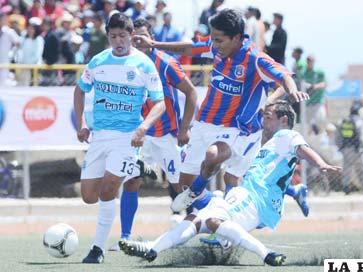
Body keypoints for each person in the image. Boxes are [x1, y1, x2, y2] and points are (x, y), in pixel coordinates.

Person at [119, 100, 341, 266]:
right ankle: (153, 249)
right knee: (197, 220)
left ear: (284, 120)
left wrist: (320, 163)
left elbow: (304, 149)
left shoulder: (286, 135)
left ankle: (266, 254)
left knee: (212, 218)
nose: (264, 120)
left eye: (269, 116)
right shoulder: (268, 144)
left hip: (255, 198)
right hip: (253, 200)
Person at [133, 9, 309, 213]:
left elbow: (285, 77)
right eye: (213, 40)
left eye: (219, 40)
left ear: (236, 38)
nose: (214, 45)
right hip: (204, 123)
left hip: (235, 128)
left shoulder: (255, 59)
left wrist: (291, 91)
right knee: (183, 184)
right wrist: (155, 44)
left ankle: (222, 219)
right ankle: (217, 209)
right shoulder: (217, 46)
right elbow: (190, 48)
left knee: (220, 162)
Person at [73, 13, 165, 264]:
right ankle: (136, 167)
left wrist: (143, 127)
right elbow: (79, 91)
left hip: (127, 137)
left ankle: (97, 249)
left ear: (131, 36)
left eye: (123, 36)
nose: (118, 41)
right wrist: (82, 122)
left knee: (108, 190)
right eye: (113, 36)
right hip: (100, 136)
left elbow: (160, 104)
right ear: (108, 37)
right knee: (89, 195)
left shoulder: (144, 64)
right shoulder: (98, 61)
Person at [110, 17, 198, 251]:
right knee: (131, 180)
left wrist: (184, 128)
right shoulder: (126, 63)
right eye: (134, 37)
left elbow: (191, 93)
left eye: (142, 37)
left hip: (168, 136)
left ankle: (208, 225)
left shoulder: (166, 63)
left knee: (183, 188)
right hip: (142, 137)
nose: (138, 41)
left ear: (152, 39)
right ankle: (125, 237)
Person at [337, 104, 363, 195]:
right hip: (357, 150)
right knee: (361, 170)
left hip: (346, 150)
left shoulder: (343, 121)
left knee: (347, 169)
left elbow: (338, 137)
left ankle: (346, 187)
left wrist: (341, 148)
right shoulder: (360, 122)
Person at [303, 55, 327, 134]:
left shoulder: (319, 72)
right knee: (307, 126)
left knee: (321, 120)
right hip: (307, 103)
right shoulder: (304, 73)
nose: (310, 62)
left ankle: (318, 137)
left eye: (311, 60)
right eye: (308, 60)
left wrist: (315, 87)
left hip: (318, 102)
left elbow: (325, 83)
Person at [0, 11, 19, 86]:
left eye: (4, 19)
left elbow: (18, 43)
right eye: (2, 19)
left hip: (4, 60)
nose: (3, 21)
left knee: (3, 81)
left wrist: (12, 53)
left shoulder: (9, 31)